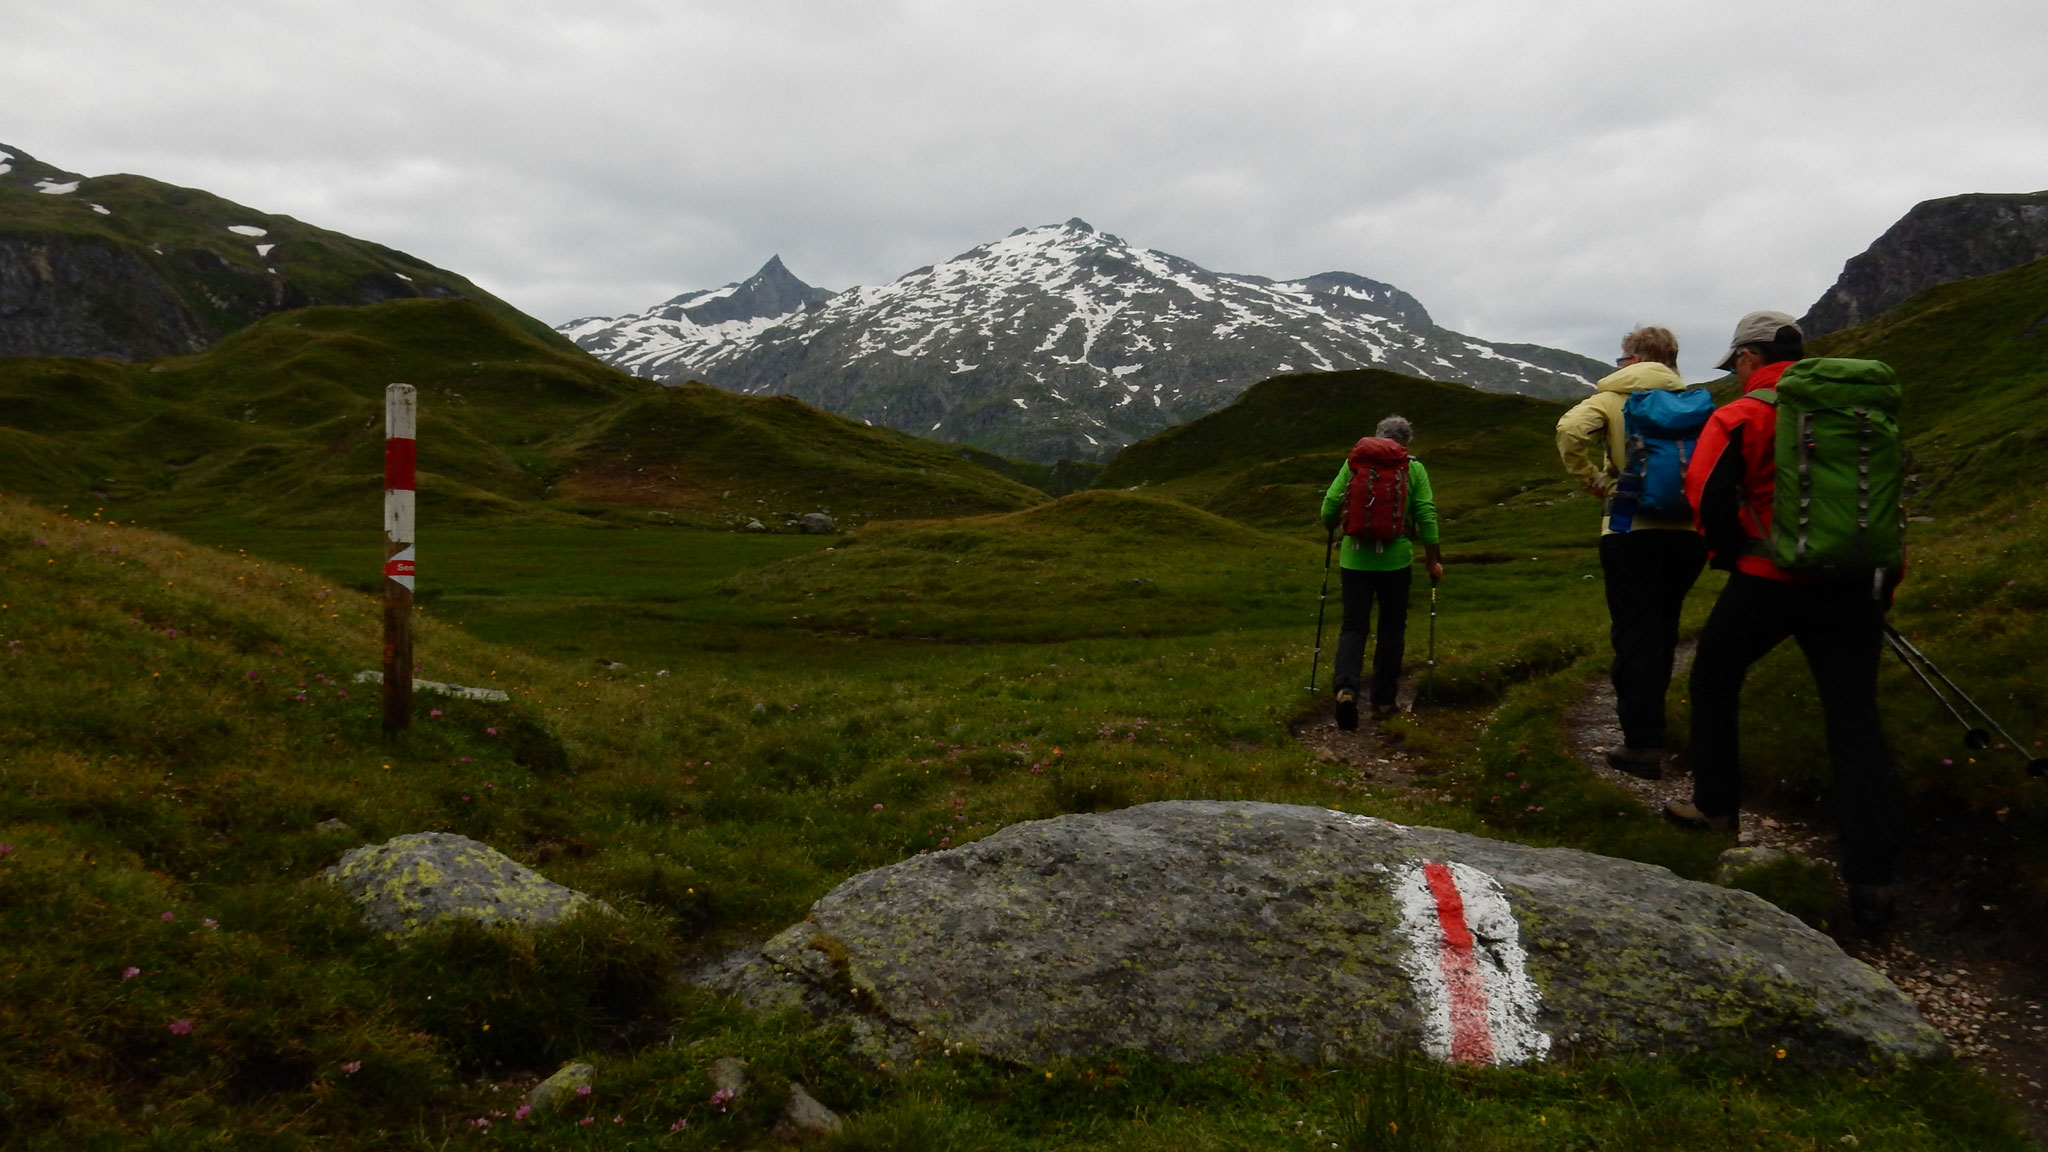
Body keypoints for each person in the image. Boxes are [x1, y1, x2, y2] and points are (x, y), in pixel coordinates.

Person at [1665, 311, 1900, 932]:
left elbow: (1704, 491)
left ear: (1747, 357)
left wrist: (1729, 554)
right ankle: (1872, 878)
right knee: (1854, 718)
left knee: (1715, 677)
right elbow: (1877, 499)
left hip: (1769, 581)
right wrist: (1883, 581)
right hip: (1852, 585)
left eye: (1735, 363)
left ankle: (1716, 808)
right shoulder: (1857, 409)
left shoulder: (1743, 413)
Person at [1554, 326, 1708, 778]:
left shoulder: (1611, 398)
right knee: (1664, 627)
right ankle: (1659, 724)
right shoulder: (1691, 401)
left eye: (1624, 356)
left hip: (1629, 528)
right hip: (1687, 534)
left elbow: (1569, 432)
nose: (1620, 364)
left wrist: (1599, 484)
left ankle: (1642, 743)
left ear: (1637, 356)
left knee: (1634, 632)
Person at [1320, 414, 1444, 730]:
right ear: (1406, 443)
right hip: (1396, 563)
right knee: (1391, 628)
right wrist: (1433, 560)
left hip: (1354, 560)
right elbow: (1427, 515)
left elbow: (1328, 508)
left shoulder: (1354, 464)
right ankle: (1383, 701)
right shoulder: (1413, 469)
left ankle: (1346, 689)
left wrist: (1335, 526)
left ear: (1377, 435)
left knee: (1353, 627)